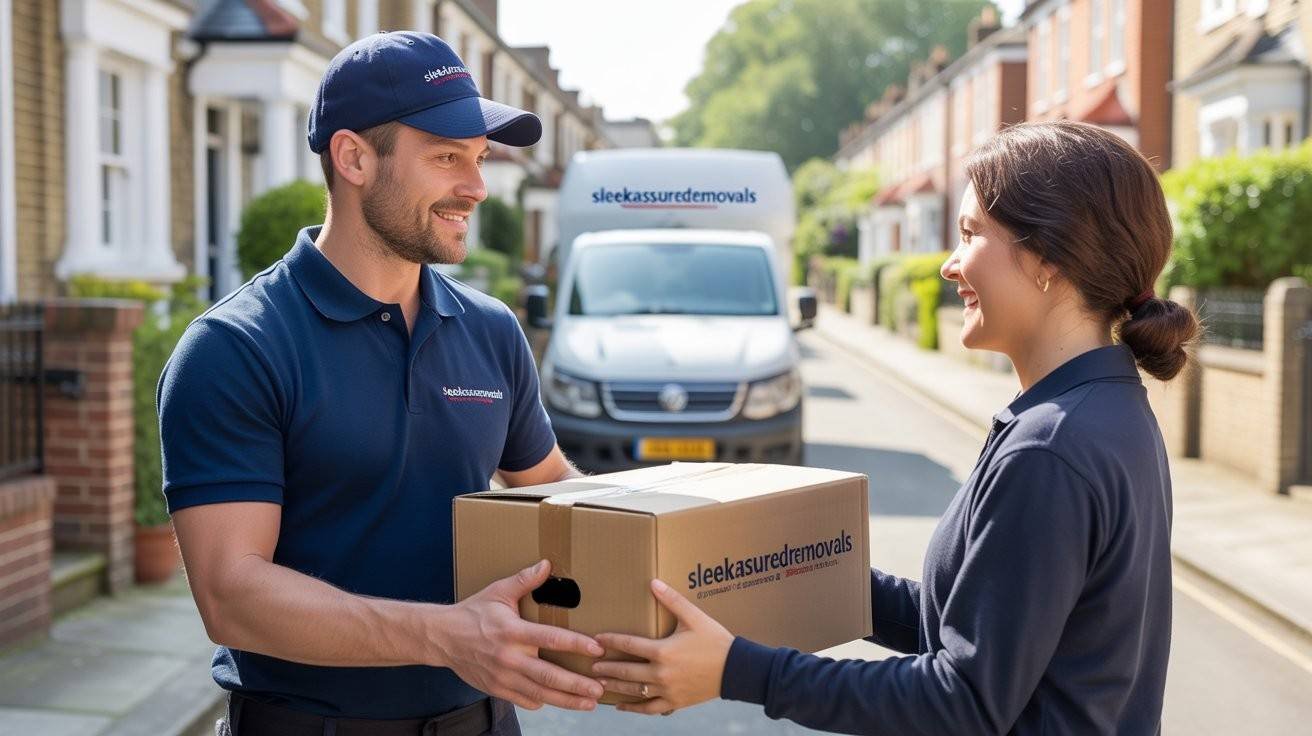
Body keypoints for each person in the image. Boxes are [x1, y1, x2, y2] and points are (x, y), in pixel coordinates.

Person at [592, 120, 1198, 735]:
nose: (949, 265)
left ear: (1048, 258)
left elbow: (962, 701)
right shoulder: (1110, 410)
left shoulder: (1050, 448)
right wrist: (773, 569)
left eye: (970, 235)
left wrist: (737, 671)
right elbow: (963, 625)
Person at [160, 32, 604, 736]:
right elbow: (231, 595)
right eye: (447, 156)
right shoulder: (235, 349)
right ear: (354, 157)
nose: (476, 187)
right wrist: (442, 635)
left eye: (480, 159)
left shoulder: (490, 331)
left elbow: (550, 487)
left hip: (480, 723)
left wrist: (661, 554)